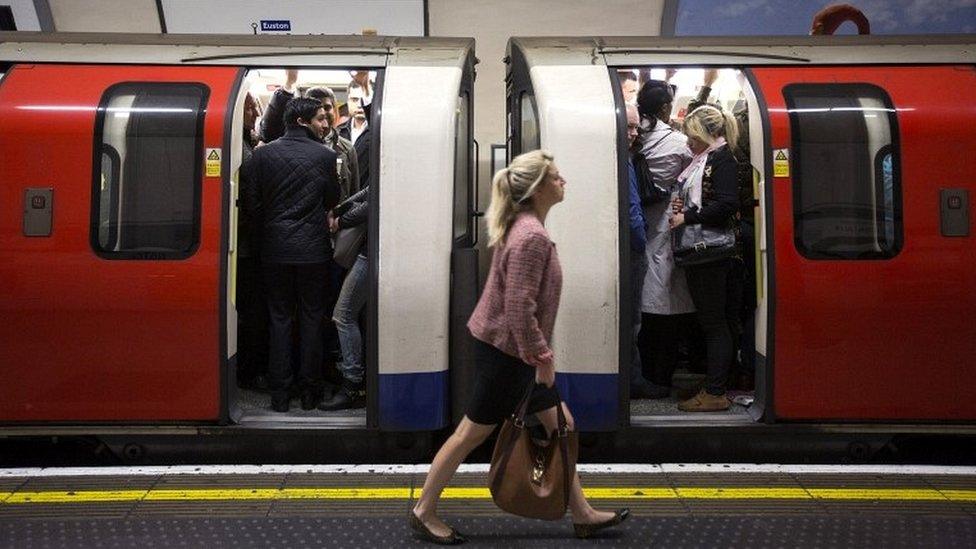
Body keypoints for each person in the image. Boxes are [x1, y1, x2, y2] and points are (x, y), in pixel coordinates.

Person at [410, 151, 629, 544]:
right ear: (538, 188)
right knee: (470, 434)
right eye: (557, 178)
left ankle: (582, 513)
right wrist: (541, 358)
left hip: (513, 350)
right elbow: (517, 308)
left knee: (562, 425)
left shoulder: (526, 227)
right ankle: (423, 511)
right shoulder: (532, 236)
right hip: (508, 354)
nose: (564, 182)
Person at [241, 97, 341, 412]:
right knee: (312, 319)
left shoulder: (262, 155)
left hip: (274, 251)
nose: (323, 123)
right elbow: (332, 199)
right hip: (313, 251)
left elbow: (251, 204)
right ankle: (309, 393)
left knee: (279, 319)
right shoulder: (325, 156)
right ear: (301, 121)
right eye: (318, 117)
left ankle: (280, 395)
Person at [668, 104, 741, 412]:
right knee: (713, 322)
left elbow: (726, 205)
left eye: (693, 138)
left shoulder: (721, 159)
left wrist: (688, 217)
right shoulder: (706, 158)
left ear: (710, 134)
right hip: (704, 252)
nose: (689, 144)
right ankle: (715, 385)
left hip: (710, 252)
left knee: (714, 323)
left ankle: (715, 392)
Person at [635, 80, 695, 397]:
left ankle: (644, 374)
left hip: (638, 224)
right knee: (667, 304)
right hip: (664, 225)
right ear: (663, 109)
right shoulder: (678, 142)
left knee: (642, 307)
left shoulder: (632, 137)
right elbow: (693, 171)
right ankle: (661, 379)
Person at [624, 103, 664, 399]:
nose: (633, 133)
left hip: (629, 248)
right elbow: (632, 211)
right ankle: (633, 382)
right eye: (628, 126)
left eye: (636, 127)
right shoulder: (622, 162)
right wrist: (640, 242)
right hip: (630, 250)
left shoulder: (622, 158)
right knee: (632, 320)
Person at [318, 185, 370, 411]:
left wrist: (339, 220)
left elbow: (372, 202)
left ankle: (352, 385)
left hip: (371, 254)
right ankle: (354, 379)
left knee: (343, 314)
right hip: (371, 249)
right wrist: (338, 210)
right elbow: (370, 191)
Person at [237, 92, 270, 392]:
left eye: (255, 108)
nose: (252, 113)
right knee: (251, 311)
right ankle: (248, 371)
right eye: (248, 108)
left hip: (249, 241)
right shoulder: (239, 146)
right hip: (244, 244)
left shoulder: (252, 143)